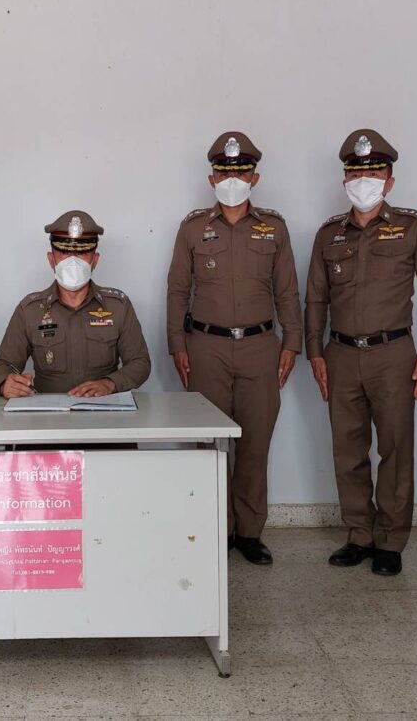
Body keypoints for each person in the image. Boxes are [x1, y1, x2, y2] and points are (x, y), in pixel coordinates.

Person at [305, 129, 417, 576]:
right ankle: (358, 535)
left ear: (389, 180)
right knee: (347, 450)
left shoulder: (413, 227)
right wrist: (315, 352)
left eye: (373, 172)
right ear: (344, 179)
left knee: (395, 449)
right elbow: (315, 299)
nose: (363, 180)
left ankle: (389, 540)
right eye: (355, 173)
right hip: (341, 353)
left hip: (394, 354)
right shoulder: (329, 234)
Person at [166, 131, 302, 565]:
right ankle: (215, 529)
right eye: (224, 173)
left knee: (255, 443)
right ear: (211, 179)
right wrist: (176, 344)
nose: (232, 180)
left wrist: (292, 342)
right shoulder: (192, 228)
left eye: (241, 173)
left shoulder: (274, 228)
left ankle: (248, 533)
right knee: (209, 445)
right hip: (205, 346)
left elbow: (287, 291)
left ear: (254, 178)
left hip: (261, 347)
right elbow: (177, 290)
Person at [0, 210, 151, 398]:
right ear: (51, 259)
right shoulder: (30, 311)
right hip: (48, 413)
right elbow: (5, 364)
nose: (73, 260)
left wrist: (110, 384)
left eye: (82, 252)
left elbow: (140, 363)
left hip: (104, 410)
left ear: (95, 260)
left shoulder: (118, 307)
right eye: (64, 251)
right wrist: (5, 383)